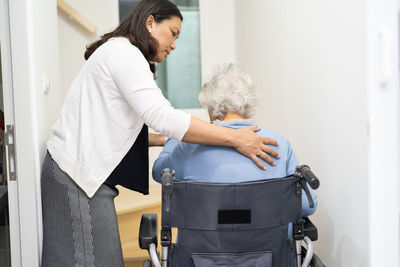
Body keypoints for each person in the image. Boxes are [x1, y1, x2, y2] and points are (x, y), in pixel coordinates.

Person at [41, 1, 280, 266]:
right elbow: (163, 117)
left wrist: (165, 140)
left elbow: (113, 128)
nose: (174, 44)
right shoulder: (124, 54)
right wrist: (235, 138)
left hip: (80, 172)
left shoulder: (121, 53)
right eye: (173, 33)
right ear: (150, 22)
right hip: (76, 174)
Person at [153, 63, 317, 218]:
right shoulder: (279, 145)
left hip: (202, 247)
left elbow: (158, 173)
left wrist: (176, 136)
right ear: (249, 103)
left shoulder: (189, 146)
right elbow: (307, 205)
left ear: (210, 108)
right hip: (268, 247)